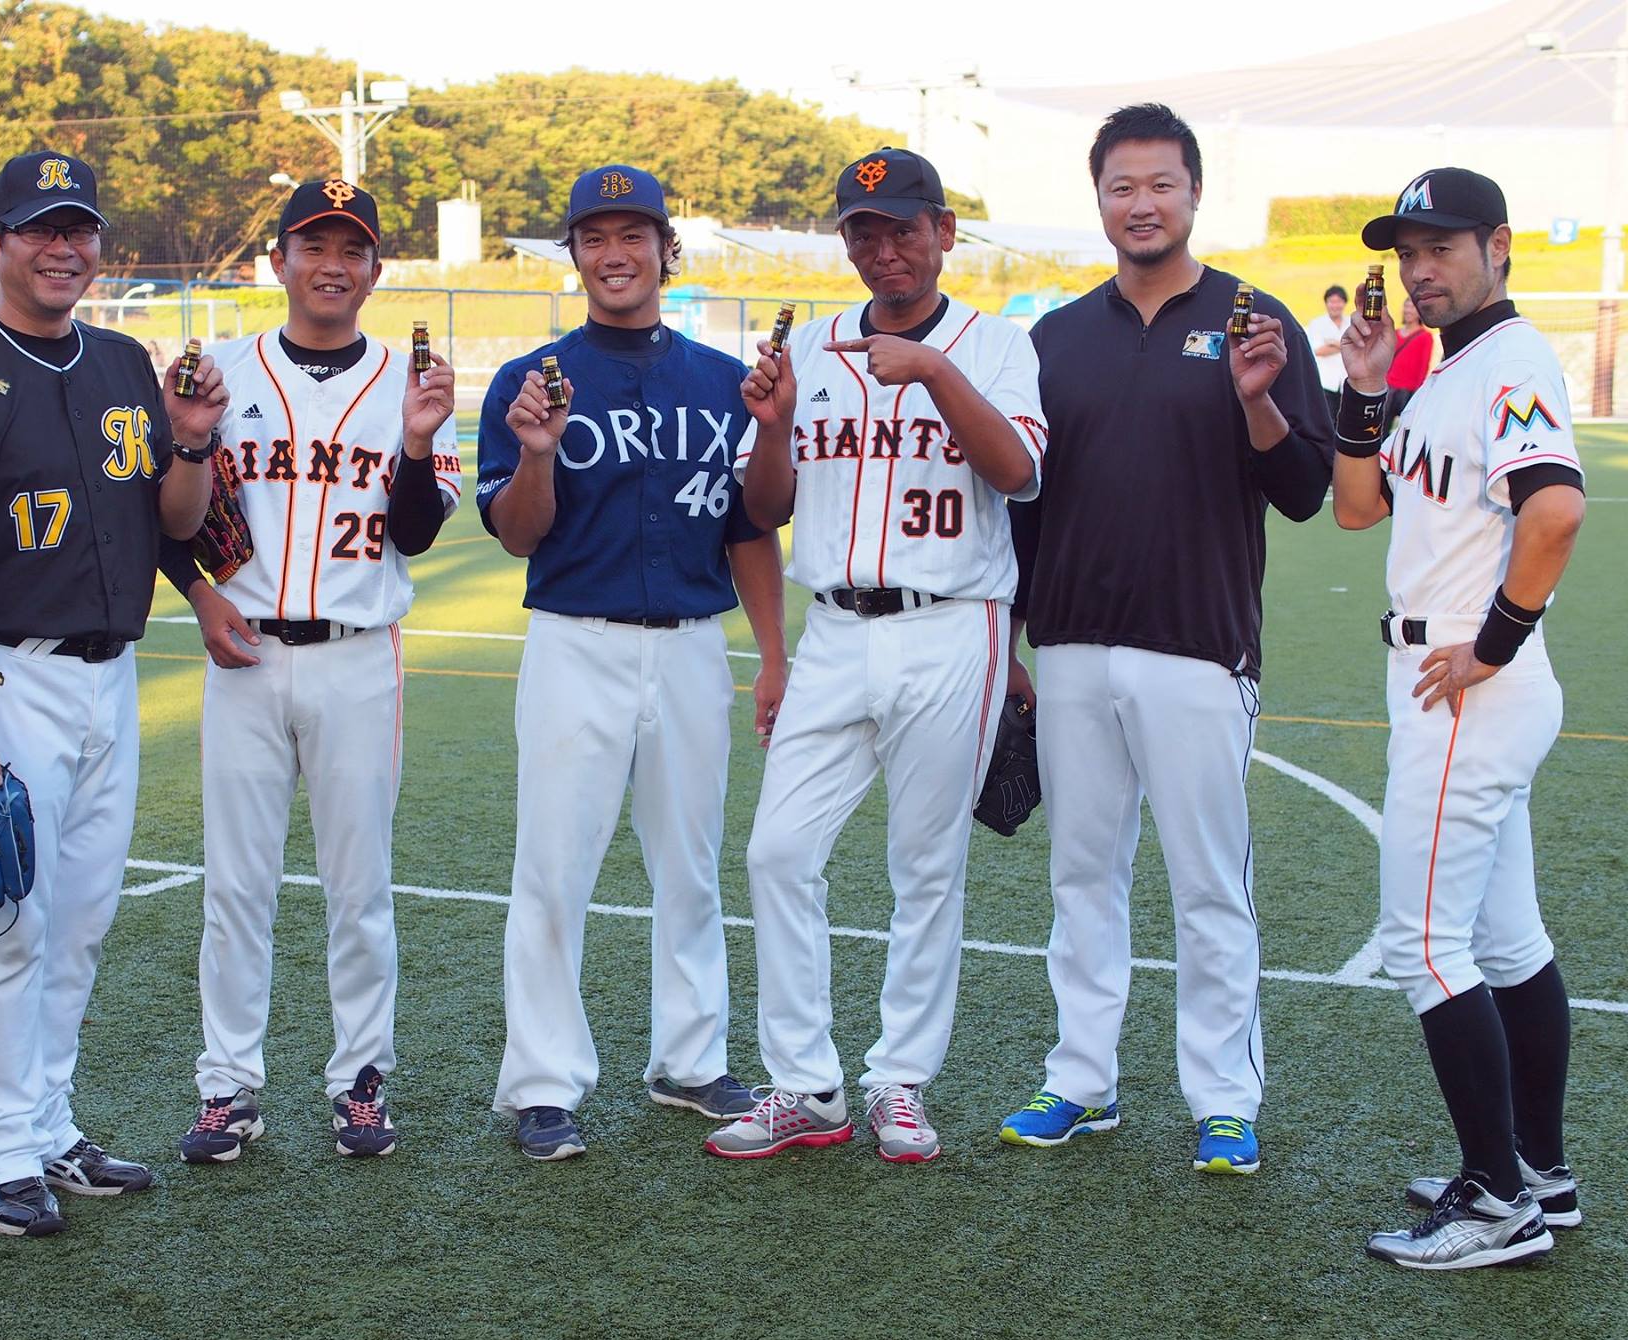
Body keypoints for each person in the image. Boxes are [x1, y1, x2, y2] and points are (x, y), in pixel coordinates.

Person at [999, 104, 1333, 1174]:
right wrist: (1014, 642)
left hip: (1197, 648)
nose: (1139, 204)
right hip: (1072, 648)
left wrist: (1256, 404)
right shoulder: (1051, 338)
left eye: (1159, 184)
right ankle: (1078, 1082)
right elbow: (1023, 507)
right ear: (1096, 198)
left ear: (1193, 193)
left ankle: (1222, 1099)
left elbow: (1303, 490)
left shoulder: (1253, 320)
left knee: (1205, 885)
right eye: (1119, 187)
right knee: (1079, 877)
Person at [0, 151, 227, 1236]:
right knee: (14, 925)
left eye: (77, 228)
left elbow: (175, 521)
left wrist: (190, 440)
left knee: (81, 921)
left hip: (110, 674)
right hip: (4, 673)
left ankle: (48, 1124)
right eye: (38, 228)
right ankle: (0, 1156)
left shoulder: (127, 361)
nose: (62, 248)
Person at [705, 147, 1046, 1163]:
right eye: (863, 229)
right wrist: (767, 428)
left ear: (944, 233)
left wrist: (935, 372)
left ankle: (899, 1080)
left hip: (955, 621)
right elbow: (760, 508)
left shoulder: (994, 345)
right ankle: (804, 1086)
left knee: (924, 865)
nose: (883, 246)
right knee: (775, 851)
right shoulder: (806, 347)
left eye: (902, 226)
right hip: (836, 628)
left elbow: (1020, 474)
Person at [479, 164, 788, 1161]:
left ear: (666, 250)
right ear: (572, 254)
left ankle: (690, 1060)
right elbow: (517, 537)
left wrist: (773, 655)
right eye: (594, 237)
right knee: (553, 868)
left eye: (633, 235)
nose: (614, 254)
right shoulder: (528, 380)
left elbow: (750, 529)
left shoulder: (717, 381)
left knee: (690, 867)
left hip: (696, 647)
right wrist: (535, 451)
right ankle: (541, 1083)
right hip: (576, 642)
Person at [159, 181, 460, 1164]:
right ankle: (225, 1087)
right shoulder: (225, 370)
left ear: (375, 270)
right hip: (242, 653)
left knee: (357, 886)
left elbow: (415, 529)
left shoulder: (410, 383)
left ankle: (360, 1079)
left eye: (352, 248)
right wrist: (191, 440)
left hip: (356, 656)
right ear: (278, 261)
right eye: (312, 244)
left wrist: (415, 440)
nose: (332, 262)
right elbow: (178, 519)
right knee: (234, 886)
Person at [1332, 168, 1585, 1269]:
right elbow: (1353, 506)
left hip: (1466, 684)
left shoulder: (1513, 361)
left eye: (1440, 247)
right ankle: (1536, 1170)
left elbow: (1555, 512)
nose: (1417, 269)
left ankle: (1493, 1206)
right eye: (1405, 251)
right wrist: (1360, 384)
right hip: (1452, 682)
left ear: (1497, 246)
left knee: (1421, 944)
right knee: (1504, 940)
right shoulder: (1440, 373)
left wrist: (1491, 642)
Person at [1306, 284, 1350, 418]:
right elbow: (1318, 350)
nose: (1335, 306)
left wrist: (1335, 344)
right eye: (1332, 302)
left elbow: (1360, 347)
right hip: (1325, 382)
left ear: (1344, 303)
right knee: (1326, 418)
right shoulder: (1317, 324)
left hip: (1345, 381)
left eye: (1339, 302)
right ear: (1326, 303)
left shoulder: (1351, 323)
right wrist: (1346, 345)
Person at [1387, 296, 1433, 390]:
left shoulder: (1425, 337)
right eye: (1406, 306)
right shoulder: (1394, 333)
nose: (1408, 310)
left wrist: (1418, 390)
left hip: (1407, 390)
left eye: (1412, 307)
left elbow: (1423, 367)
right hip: (1388, 385)